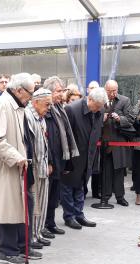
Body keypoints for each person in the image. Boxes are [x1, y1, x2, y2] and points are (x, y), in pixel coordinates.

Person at [0, 72, 42, 264]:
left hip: (22, 164)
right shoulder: (2, 104)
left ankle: (23, 246)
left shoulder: (19, 105)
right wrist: (16, 157)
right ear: (19, 90)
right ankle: (6, 250)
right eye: (30, 93)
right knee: (9, 207)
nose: (31, 97)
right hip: (9, 166)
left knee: (25, 205)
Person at [60, 87, 107, 230]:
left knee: (81, 186)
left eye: (100, 107)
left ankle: (79, 214)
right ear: (90, 99)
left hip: (89, 156)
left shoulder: (99, 110)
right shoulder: (71, 109)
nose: (98, 109)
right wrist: (66, 161)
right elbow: (65, 136)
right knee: (68, 187)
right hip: (73, 157)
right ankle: (69, 216)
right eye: (96, 106)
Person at [42, 76, 79, 238]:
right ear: (49, 92)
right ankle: (42, 225)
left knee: (54, 195)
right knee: (46, 195)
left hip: (60, 159)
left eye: (62, 90)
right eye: (58, 91)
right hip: (50, 160)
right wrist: (49, 160)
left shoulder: (59, 108)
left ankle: (50, 223)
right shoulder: (45, 109)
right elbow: (45, 138)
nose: (62, 94)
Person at [25, 88, 53, 248]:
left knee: (42, 203)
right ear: (36, 102)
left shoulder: (41, 117)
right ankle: (32, 236)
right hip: (33, 168)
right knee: (35, 205)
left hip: (43, 166)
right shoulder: (28, 116)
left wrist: (49, 163)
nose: (49, 108)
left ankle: (38, 232)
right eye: (47, 104)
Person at [99, 80, 133, 207]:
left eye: (115, 91)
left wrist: (120, 119)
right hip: (104, 141)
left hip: (119, 141)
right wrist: (101, 119)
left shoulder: (125, 100)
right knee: (106, 170)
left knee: (119, 170)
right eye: (110, 91)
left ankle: (120, 197)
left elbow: (130, 119)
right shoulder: (100, 100)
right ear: (105, 89)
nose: (112, 93)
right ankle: (105, 196)